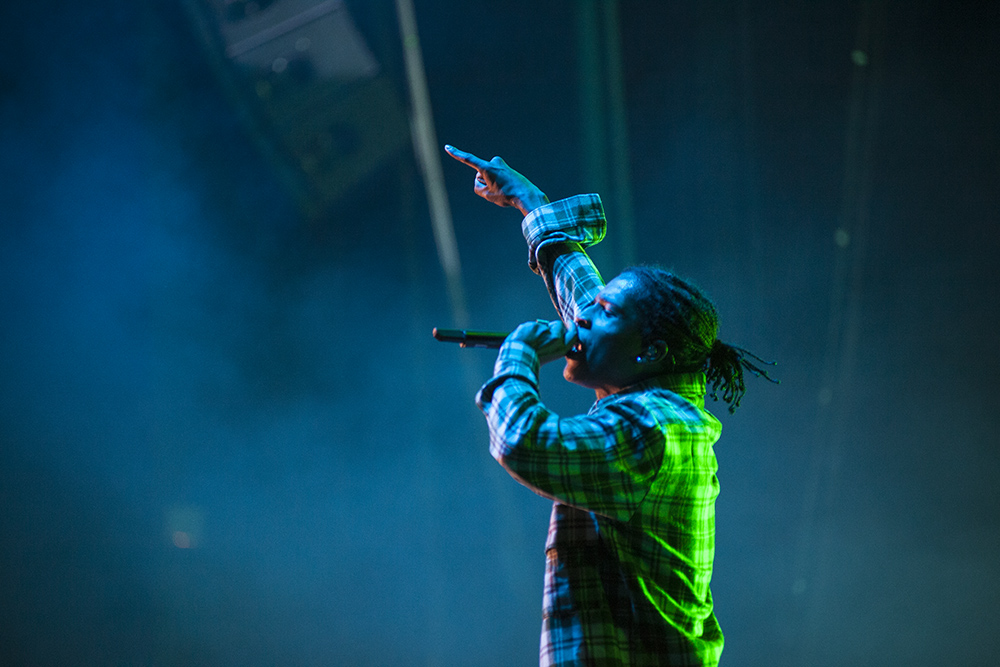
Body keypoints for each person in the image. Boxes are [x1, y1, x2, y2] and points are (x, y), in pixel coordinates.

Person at [445, 145, 776, 667]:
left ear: (650, 351)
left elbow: (523, 442)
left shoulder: (656, 426)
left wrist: (519, 354)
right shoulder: (654, 398)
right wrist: (529, 203)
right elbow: (584, 298)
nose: (580, 321)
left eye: (604, 313)